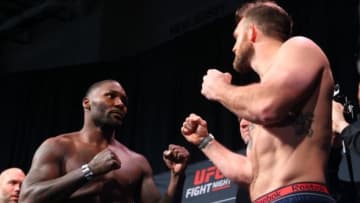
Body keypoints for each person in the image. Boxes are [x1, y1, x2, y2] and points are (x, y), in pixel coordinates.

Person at [181, 1, 335, 202]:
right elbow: (252, 172)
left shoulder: (300, 47)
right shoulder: (261, 94)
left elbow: (267, 107)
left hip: (298, 196)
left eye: (237, 37)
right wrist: (205, 141)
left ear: (251, 32)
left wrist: (218, 88)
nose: (234, 48)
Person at [19, 79, 190, 203]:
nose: (120, 104)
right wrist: (89, 170)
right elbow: (28, 198)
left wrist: (177, 176)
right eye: (111, 96)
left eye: (124, 100)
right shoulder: (58, 147)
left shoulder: (137, 162)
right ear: (87, 103)